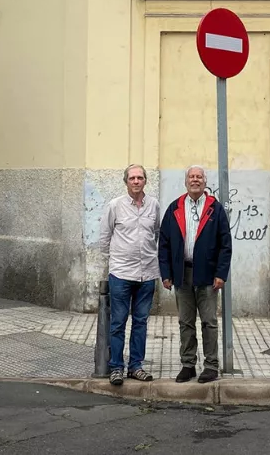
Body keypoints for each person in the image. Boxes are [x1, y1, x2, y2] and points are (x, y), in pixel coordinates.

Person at [159, 165, 232, 383]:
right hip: (182, 274)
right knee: (185, 322)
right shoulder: (175, 208)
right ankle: (188, 365)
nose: (195, 180)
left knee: (209, 322)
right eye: (191, 176)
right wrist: (166, 273)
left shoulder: (215, 209)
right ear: (186, 181)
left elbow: (225, 244)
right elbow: (164, 243)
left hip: (208, 276)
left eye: (199, 177)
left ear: (205, 181)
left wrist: (221, 274)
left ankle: (211, 366)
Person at [97, 164, 161, 385]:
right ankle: (116, 367)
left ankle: (136, 367)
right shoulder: (115, 206)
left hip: (147, 274)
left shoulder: (154, 205)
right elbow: (104, 238)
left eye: (140, 178)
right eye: (132, 178)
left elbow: (156, 233)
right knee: (118, 323)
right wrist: (115, 261)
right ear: (126, 181)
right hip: (122, 274)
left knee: (140, 322)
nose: (136, 181)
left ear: (145, 181)